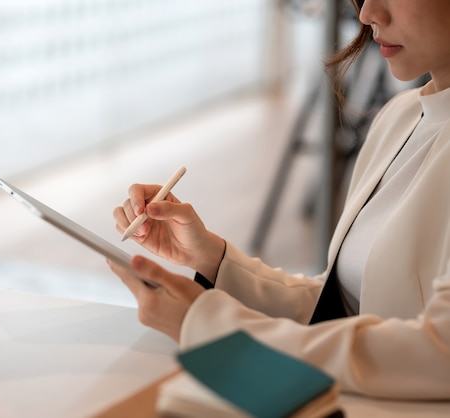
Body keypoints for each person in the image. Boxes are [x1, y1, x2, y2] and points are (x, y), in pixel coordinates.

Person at [107, 0, 450, 400]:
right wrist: (211, 259)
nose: (367, 13)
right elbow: (344, 310)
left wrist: (210, 327)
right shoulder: (401, 117)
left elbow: (437, 352)